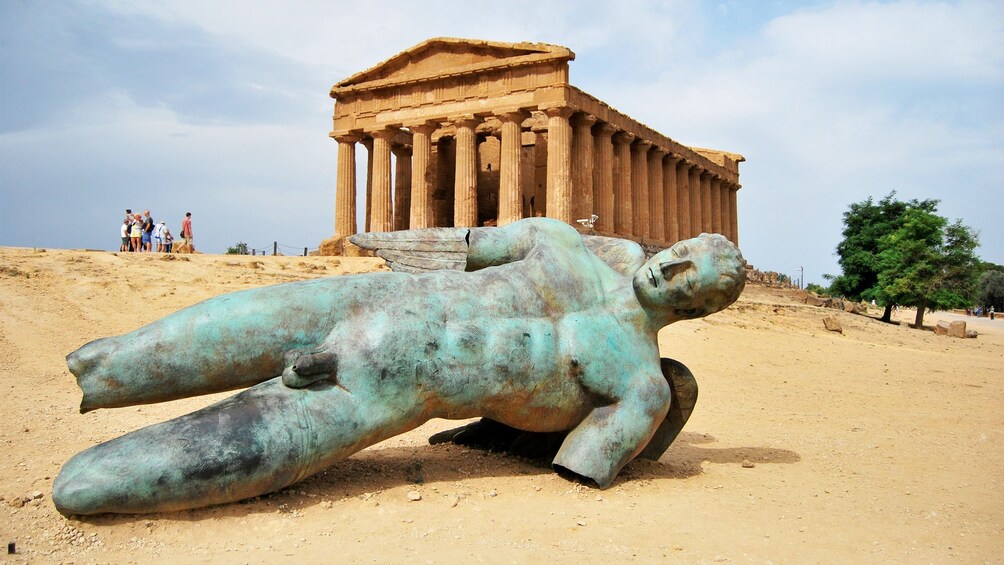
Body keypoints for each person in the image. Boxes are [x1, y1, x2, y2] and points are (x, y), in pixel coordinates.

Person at [54, 218, 746, 515]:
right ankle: (100, 370)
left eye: (691, 280)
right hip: (374, 295)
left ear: (701, 309)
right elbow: (460, 247)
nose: (671, 266)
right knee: (124, 357)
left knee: (88, 484)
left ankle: (90, 476)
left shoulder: (640, 383)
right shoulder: (562, 240)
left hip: (392, 380)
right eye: (681, 250)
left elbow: (576, 460)